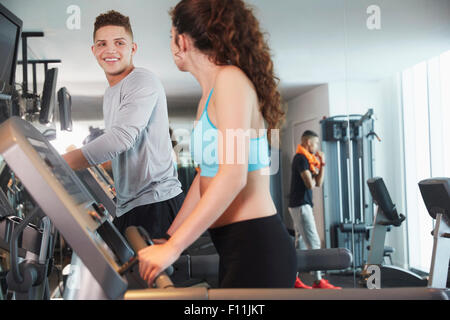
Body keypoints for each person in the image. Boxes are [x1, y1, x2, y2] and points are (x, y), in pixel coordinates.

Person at [137, 0, 297, 288]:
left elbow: (232, 175)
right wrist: (172, 238)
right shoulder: (208, 96)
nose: (171, 45)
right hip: (234, 245)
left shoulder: (230, 81)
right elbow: (205, 177)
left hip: (257, 244)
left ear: (181, 41)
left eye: (171, 37)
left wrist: (171, 251)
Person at [62, 10, 184, 239]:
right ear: (94, 50)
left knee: (145, 275)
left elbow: (120, 138)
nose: (110, 50)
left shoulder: (141, 80)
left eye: (119, 42)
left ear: (133, 48)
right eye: (102, 43)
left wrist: (61, 164)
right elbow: (124, 150)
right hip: (129, 205)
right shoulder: (110, 94)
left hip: (156, 203)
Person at [288, 130, 341, 289]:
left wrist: (322, 163)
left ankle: (294, 280)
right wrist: (315, 168)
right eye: (315, 143)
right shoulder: (301, 159)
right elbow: (310, 184)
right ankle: (318, 281)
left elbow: (318, 183)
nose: (317, 146)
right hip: (300, 205)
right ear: (308, 142)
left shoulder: (309, 160)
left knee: (301, 245)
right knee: (314, 242)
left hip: (301, 205)